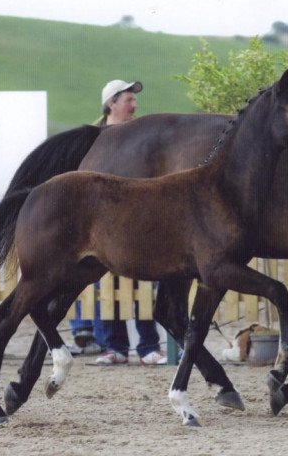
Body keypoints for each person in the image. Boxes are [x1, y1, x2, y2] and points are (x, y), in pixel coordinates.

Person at [69, 79, 167, 365]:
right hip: (101, 223)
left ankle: (149, 347)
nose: (134, 105)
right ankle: (114, 348)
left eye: (133, 100)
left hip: (138, 220)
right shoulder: (93, 139)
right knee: (102, 286)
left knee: (143, 282)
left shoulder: (140, 138)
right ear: (111, 104)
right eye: (128, 100)